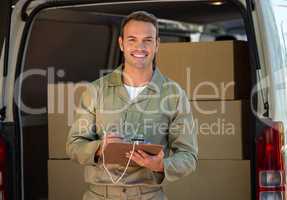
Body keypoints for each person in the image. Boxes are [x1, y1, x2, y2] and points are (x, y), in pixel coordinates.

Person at [66, 11, 198, 200]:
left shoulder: (174, 94)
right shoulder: (96, 90)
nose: (140, 47)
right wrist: (99, 148)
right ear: (121, 43)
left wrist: (161, 165)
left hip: (149, 196)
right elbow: (74, 145)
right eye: (132, 39)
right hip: (99, 195)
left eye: (147, 40)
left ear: (157, 44)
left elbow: (188, 156)